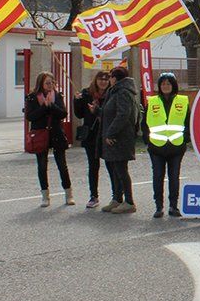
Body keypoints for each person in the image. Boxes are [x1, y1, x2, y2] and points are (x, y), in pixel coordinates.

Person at [143, 72, 190, 218]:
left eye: (168, 83)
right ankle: (158, 206)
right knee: (157, 176)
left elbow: (188, 121)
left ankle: (173, 206)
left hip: (176, 146)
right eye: (163, 84)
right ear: (159, 86)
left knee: (174, 177)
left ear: (173, 85)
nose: (165, 86)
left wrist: (185, 139)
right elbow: (144, 123)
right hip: (156, 147)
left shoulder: (182, 101)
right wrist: (147, 141)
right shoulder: (152, 101)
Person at [26, 71, 72, 207]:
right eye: (47, 83)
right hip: (40, 135)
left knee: (62, 165)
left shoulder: (57, 96)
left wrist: (51, 105)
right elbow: (30, 116)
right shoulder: (32, 97)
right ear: (41, 83)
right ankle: (45, 196)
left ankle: (68, 194)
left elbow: (63, 113)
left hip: (56, 134)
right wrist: (43, 107)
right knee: (42, 166)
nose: (50, 85)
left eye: (52, 82)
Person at [99, 65, 139, 214]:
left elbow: (123, 114)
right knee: (114, 169)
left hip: (120, 138)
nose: (109, 79)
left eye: (110, 77)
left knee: (121, 170)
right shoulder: (114, 91)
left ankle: (129, 201)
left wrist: (111, 133)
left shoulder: (123, 92)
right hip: (113, 137)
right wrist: (97, 111)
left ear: (115, 78)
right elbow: (110, 111)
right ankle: (117, 198)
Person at [73, 70, 110, 208]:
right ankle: (93, 196)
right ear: (96, 80)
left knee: (111, 165)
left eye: (106, 80)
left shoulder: (111, 94)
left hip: (106, 134)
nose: (103, 82)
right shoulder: (87, 93)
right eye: (101, 79)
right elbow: (79, 114)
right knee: (93, 166)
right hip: (91, 135)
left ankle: (117, 196)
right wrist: (76, 101)